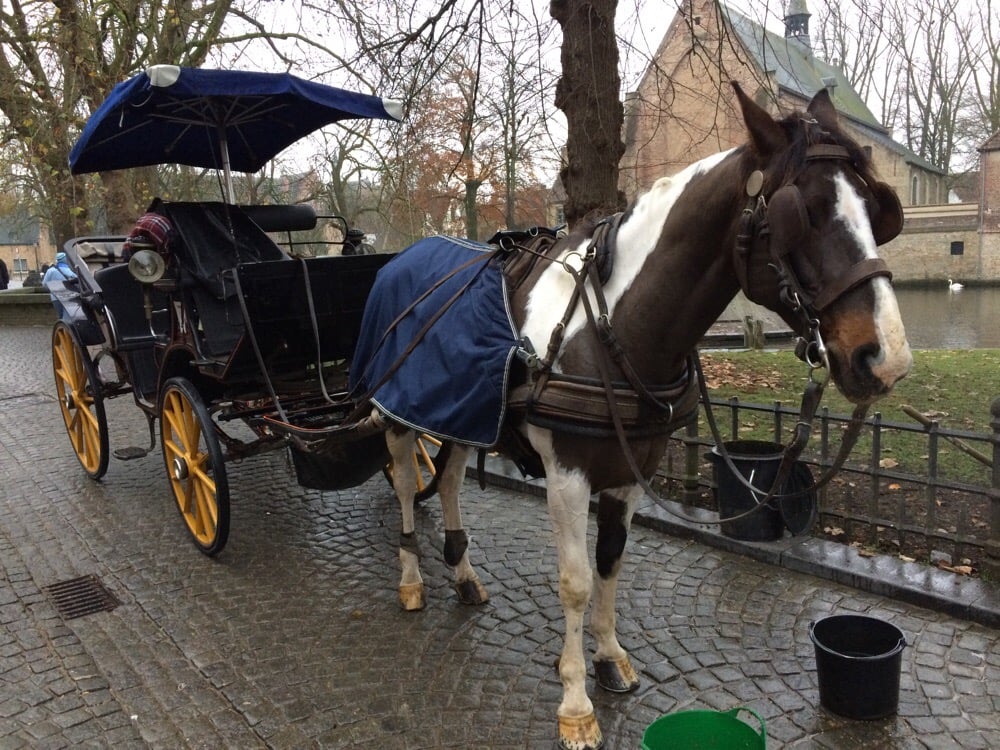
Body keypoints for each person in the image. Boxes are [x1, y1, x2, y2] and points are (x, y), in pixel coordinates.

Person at [42, 252, 77, 318]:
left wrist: (53, 290)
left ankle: (62, 327)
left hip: (56, 298)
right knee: (70, 316)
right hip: (70, 297)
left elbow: (44, 284)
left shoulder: (50, 271)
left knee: (61, 316)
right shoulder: (71, 271)